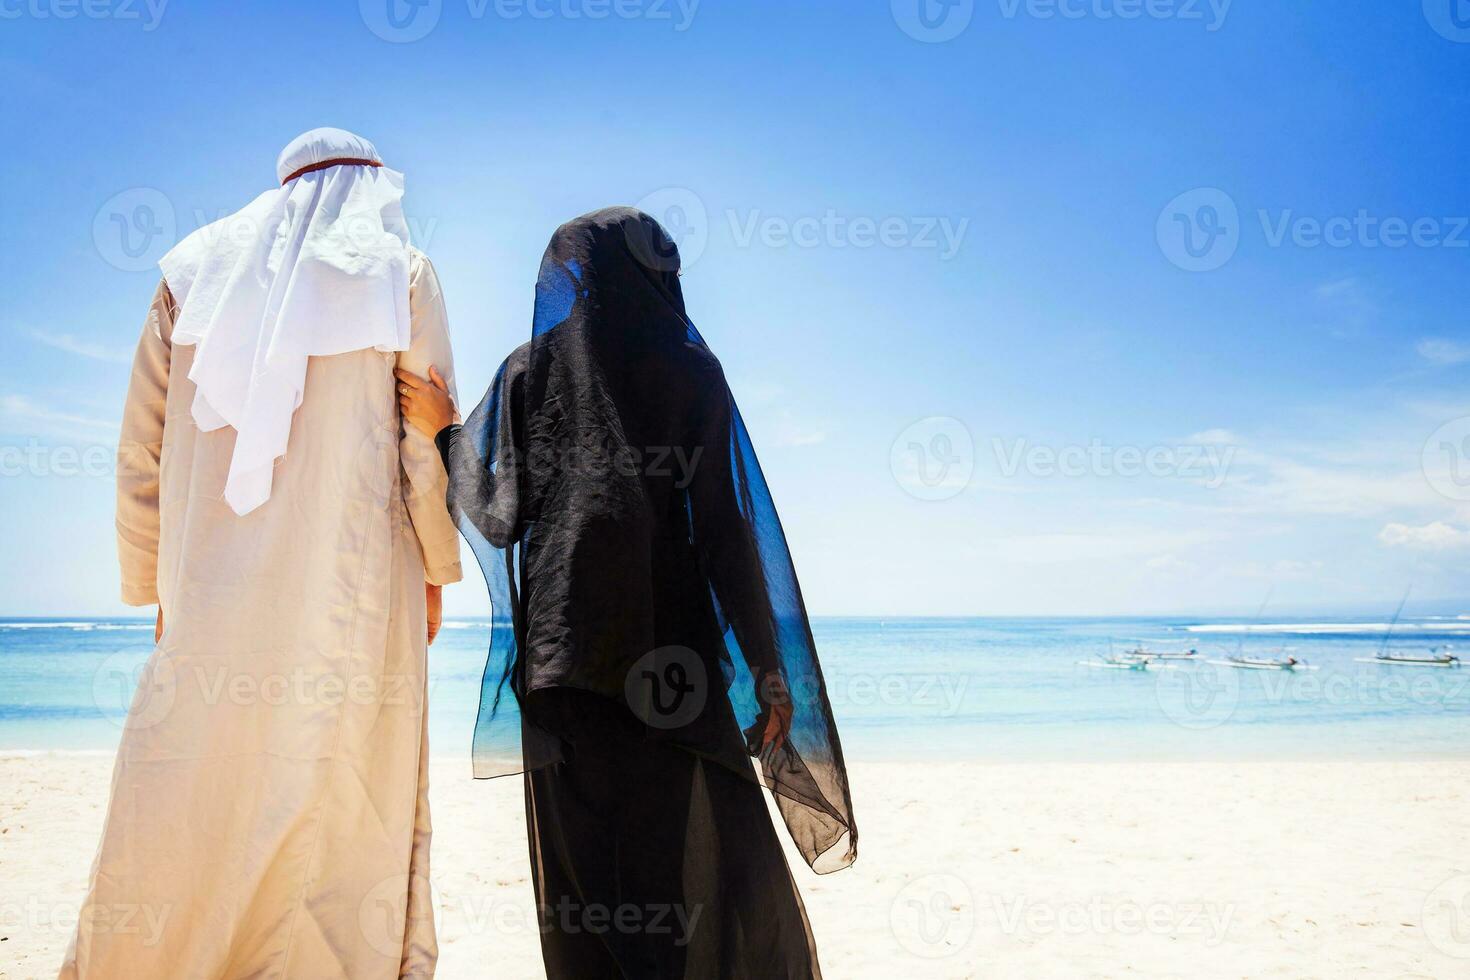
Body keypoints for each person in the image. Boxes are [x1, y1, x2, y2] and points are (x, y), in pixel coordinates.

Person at [396, 207, 856, 979]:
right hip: (672, 681)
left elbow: (494, 515)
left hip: (562, 672)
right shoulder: (689, 370)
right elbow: (726, 531)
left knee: (581, 901)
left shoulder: (528, 371)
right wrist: (766, 670)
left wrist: (448, 433)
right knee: (670, 891)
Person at [61, 128, 460, 979]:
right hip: (354, 588)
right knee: (340, 789)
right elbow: (424, 437)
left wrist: (154, 584)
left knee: (195, 784)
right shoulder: (402, 273)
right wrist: (434, 569)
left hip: (207, 586)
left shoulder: (186, 276)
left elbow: (140, 452)